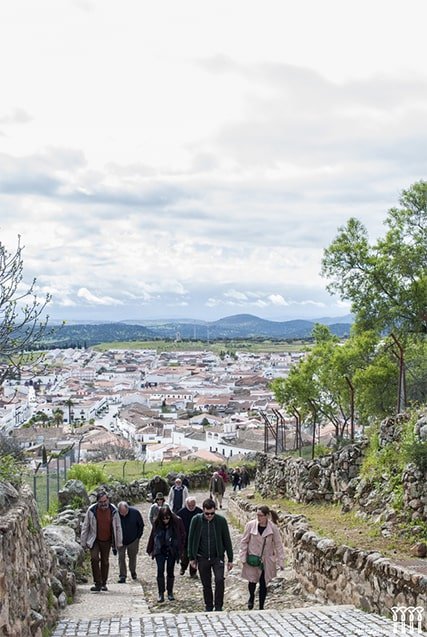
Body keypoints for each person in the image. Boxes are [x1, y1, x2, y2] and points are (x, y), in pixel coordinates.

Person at [188, 497, 233, 612]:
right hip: (202, 557)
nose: (209, 516)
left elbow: (227, 540)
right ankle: (208, 605)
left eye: (212, 513)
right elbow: (191, 538)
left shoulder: (221, 521)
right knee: (206, 583)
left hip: (217, 556)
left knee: (219, 580)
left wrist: (230, 558)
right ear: (203, 510)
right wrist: (191, 557)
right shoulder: (196, 520)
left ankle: (218, 606)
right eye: (207, 513)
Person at [239, 505, 285, 610]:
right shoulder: (250, 525)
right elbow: (244, 541)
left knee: (263, 582)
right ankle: (251, 597)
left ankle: (261, 607)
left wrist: (281, 561)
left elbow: (278, 544)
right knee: (252, 581)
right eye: (257, 515)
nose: (258, 517)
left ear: (266, 516)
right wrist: (243, 556)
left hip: (266, 560)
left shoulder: (273, 528)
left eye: (261, 515)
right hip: (253, 557)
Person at [80, 491, 123, 592]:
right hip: (94, 538)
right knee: (94, 559)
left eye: (105, 501)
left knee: (105, 561)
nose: (103, 504)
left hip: (107, 540)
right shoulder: (92, 510)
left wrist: (119, 542)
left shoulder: (113, 510)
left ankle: (104, 583)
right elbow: (86, 526)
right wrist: (83, 542)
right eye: (101, 502)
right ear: (97, 502)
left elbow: (118, 527)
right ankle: (97, 583)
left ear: (108, 500)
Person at [146, 505, 186, 603]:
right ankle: (160, 593)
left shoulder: (177, 522)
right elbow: (152, 535)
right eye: (163, 518)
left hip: (172, 549)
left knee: (170, 571)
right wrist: (150, 549)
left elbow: (182, 535)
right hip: (160, 549)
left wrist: (180, 550)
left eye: (167, 518)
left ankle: (170, 592)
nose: (165, 520)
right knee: (160, 570)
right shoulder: (157, 523)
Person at [117, 501, 145, 583]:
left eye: (125, 512)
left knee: (132, 557)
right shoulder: (115, 515)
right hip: (120, 540)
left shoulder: (135, 513)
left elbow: (141, 525)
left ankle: (133, 571)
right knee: (121, 557)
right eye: (121, 513)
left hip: (133, 540)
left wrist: (138, 537)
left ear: (127, 508)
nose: (123, 515)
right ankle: (122, 575)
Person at [176, 496, 202, 577]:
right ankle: (183, 567)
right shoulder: (181, 513)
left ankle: (193, 572)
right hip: (185, 538)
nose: (191, 507)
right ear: (186, 504)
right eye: (189, 505)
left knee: (194, 555)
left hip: (196, 537)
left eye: (193, 505)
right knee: (185, 556)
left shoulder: (199, 512)